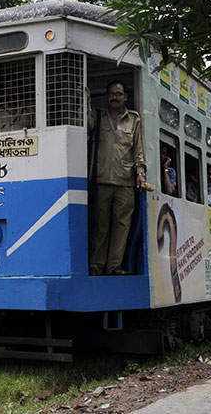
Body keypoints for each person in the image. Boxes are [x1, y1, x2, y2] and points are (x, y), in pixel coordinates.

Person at [86, 81, 146, 276]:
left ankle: (114, 267)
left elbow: (138, 150)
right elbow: (86, 127)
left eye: (119, 94)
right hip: (102, 180)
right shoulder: (97, 115)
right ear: (106, 96)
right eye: (111, 94)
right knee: (100, 227)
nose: (115, 97)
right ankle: (96, 267)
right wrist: (85, 102)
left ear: (125, 97)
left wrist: (140, 173)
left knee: (121, 226)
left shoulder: (134, 119)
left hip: (125, 182)